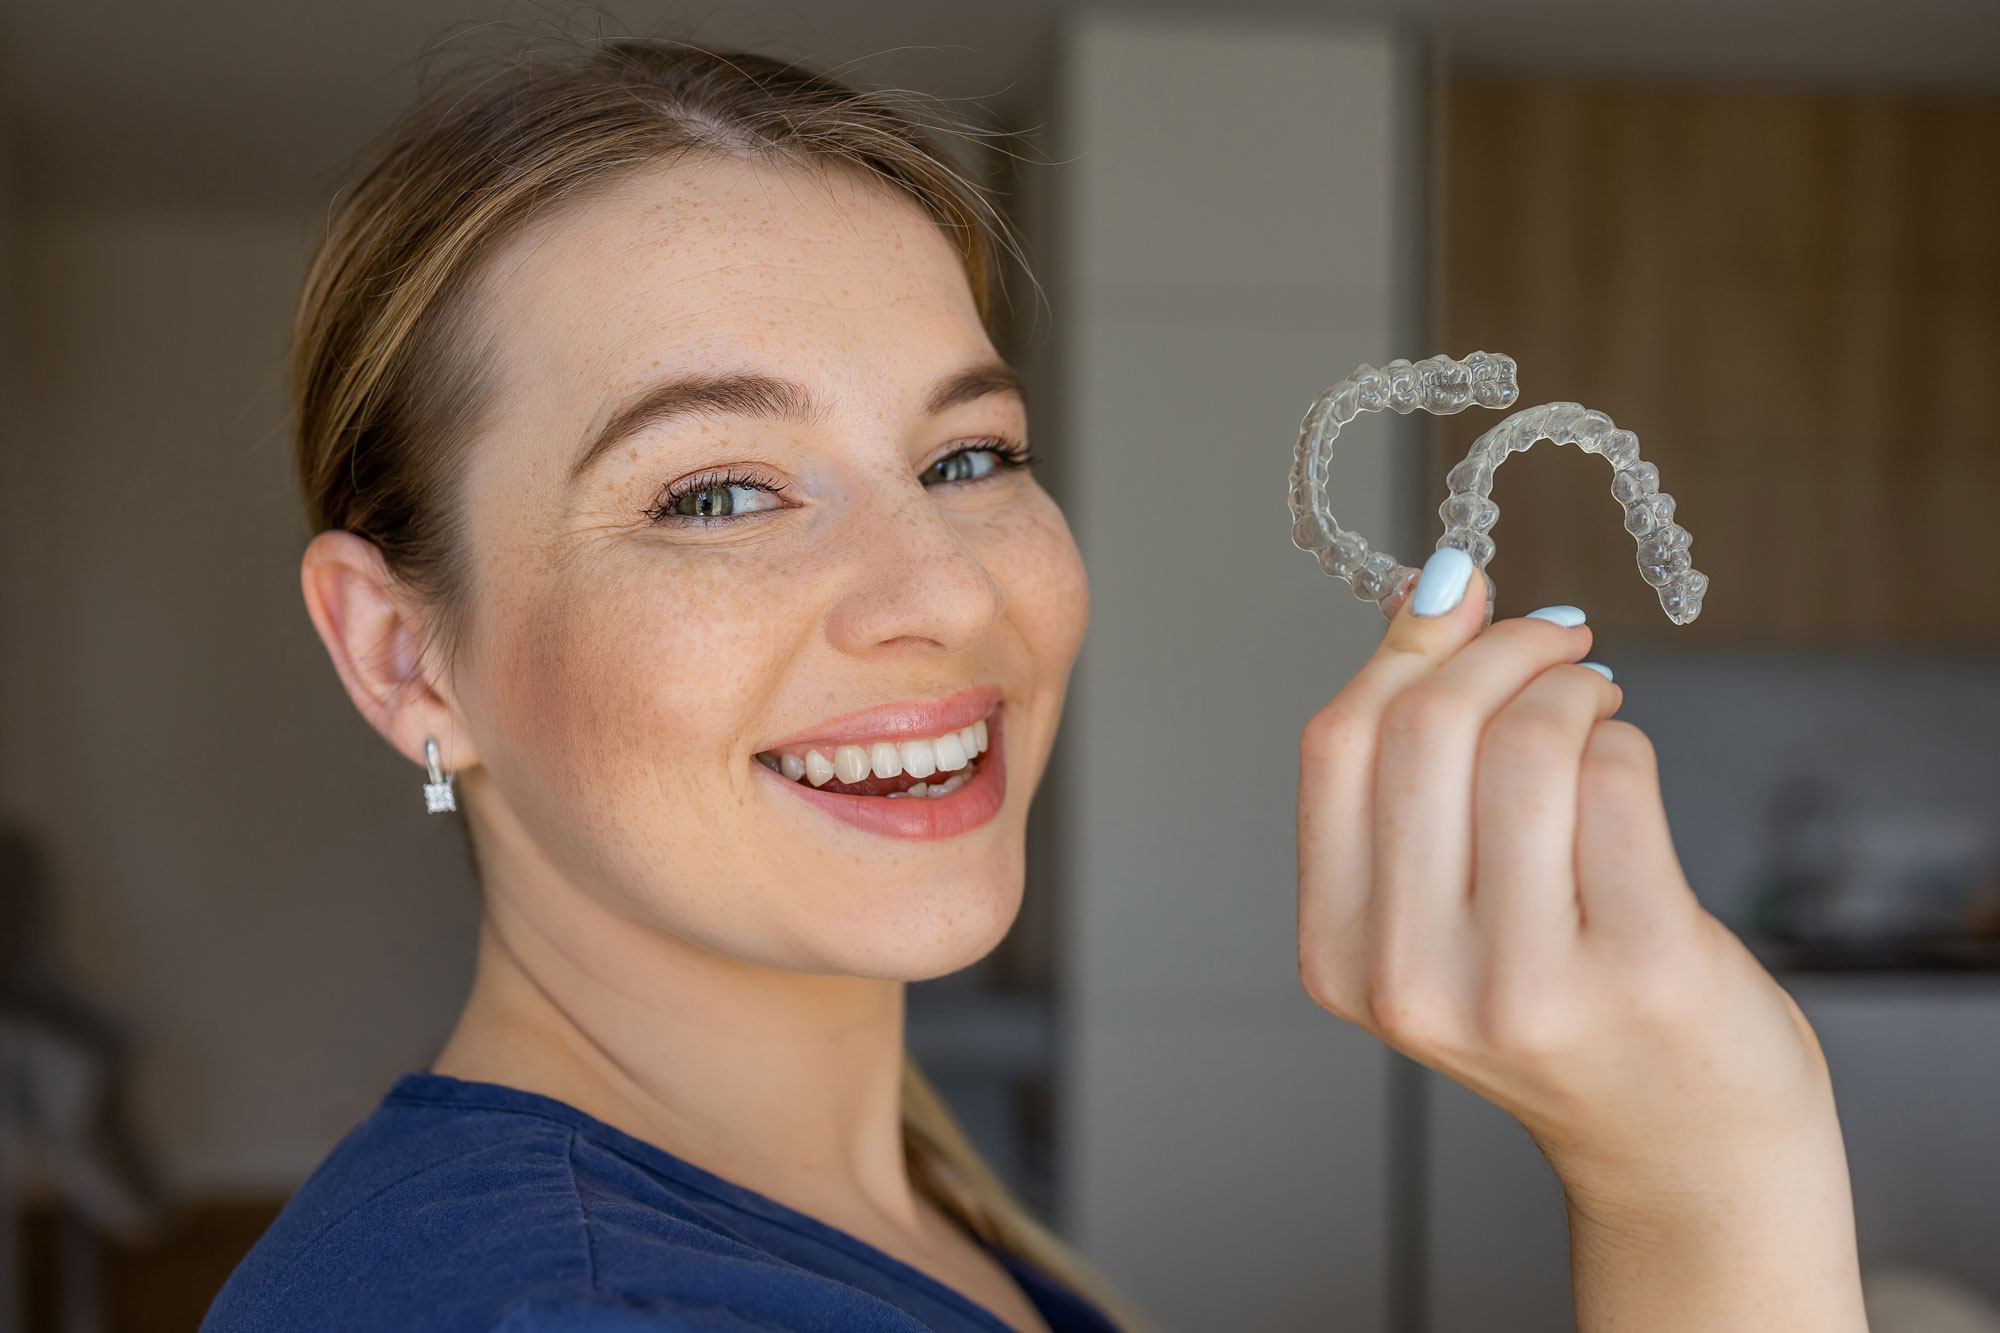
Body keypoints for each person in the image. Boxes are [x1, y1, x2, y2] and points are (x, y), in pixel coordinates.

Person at [202, 37, 1866, 1333]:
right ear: (402, 651)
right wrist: (1705, 1174)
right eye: (718, 490)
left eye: (969, 453)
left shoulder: (871, 1198)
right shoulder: (564, 1309)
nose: (945, 590)